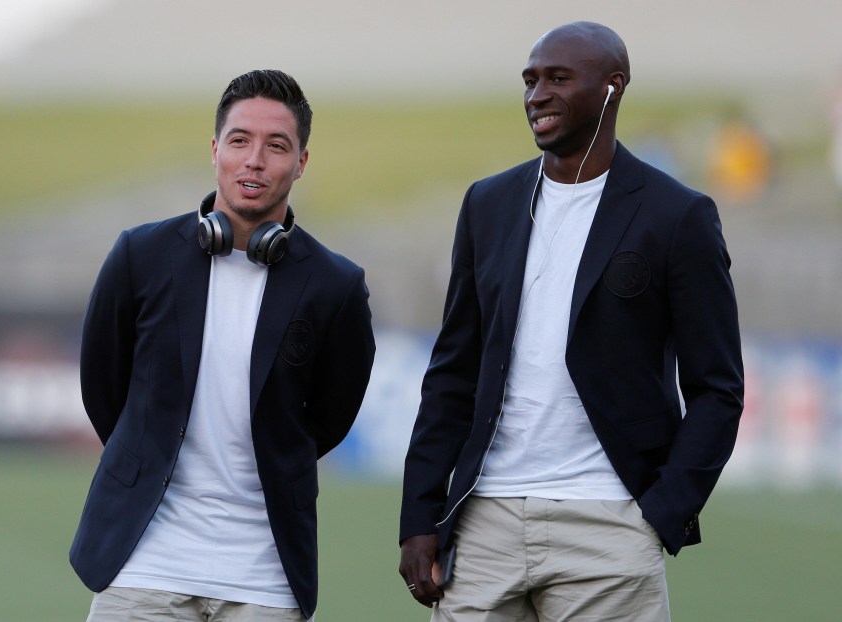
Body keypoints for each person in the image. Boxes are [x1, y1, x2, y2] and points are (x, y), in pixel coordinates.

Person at [399, 22, 743, 621]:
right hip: (485, 521)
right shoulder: (488, 204)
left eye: (558, 78)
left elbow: (718, 387)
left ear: (612, 88)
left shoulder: (678, 215)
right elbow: (453, 371)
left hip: (609, 525)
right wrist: (419, 516)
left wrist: (660, 513)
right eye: (530, 80)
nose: (537, 94)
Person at [70, 69, 376, 621]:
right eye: (240, 141)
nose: (254, 159)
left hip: (264, 582)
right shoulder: (140, 256)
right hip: (141, 569)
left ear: (301, 162)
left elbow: (330, 419)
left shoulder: (336, 285)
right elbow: (102, 385)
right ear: (215, 150)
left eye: (276, 145)